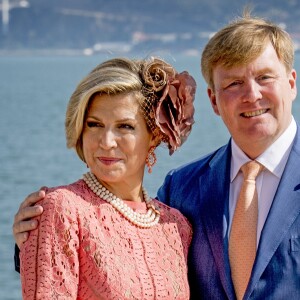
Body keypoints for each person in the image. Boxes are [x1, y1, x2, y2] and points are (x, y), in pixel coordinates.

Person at [13, 11, 300, 300]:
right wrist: (35, 239)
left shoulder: (173, 220)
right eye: (233, 84)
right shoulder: (183, 188)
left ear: (291, 83)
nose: (251, 94)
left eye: (265, 77)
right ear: (213, 100)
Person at [15, 56, 197, 299]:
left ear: (154, 135)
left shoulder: (177, 227)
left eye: (125, 127)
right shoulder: (62, 210)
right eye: (94, 124)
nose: (107, 142)